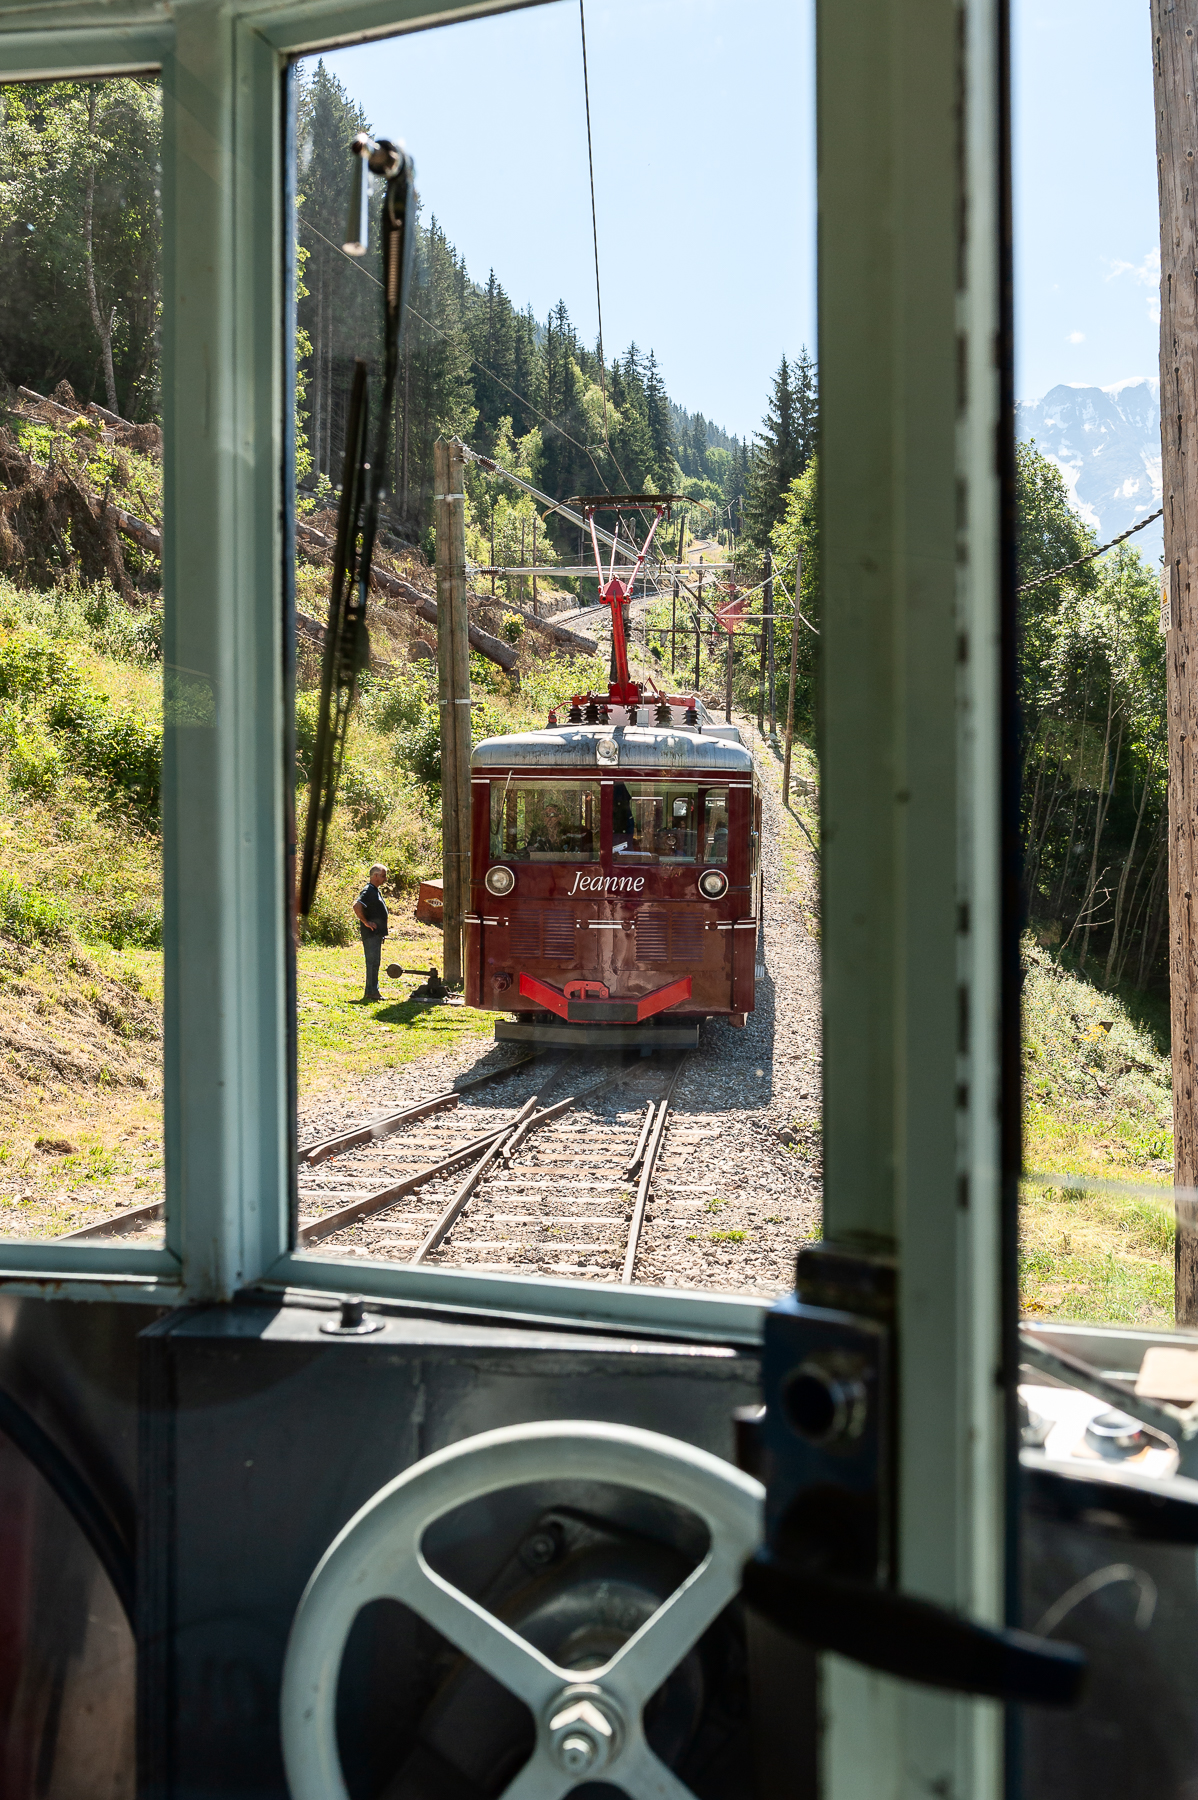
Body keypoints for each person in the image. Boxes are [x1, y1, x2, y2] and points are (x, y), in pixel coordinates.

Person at [353, 865, 388, 1002]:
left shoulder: (375, 890)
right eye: (383, 876)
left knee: (375, 962)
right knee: (372, 962)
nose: (385, 879)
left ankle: (373, 990)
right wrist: (366, 922)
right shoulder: (368, 890)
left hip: (376, 934)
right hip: (370, 934)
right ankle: (371, 991)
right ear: (376, 876)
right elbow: (357, 905)